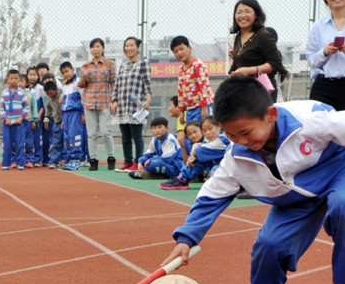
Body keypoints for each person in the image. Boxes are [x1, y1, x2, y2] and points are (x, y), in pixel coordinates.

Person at [162, 76, 345, 284]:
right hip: (294, 197)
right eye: (232, 135)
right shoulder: (236, 157)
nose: (241, 140)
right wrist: (186, 239)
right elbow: (211, 197)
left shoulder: (312, 119)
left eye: (246, 132)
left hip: (339, 172)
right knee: (269, 245)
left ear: (271, 115)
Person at [228, 0, 289, 104]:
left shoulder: (263, 35)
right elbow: (240, 65)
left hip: (262, 91)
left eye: (247, 11)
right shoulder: (239, 36)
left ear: (256, 15)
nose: (242, 15)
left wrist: (249, 71)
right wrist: (233, 71)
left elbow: (275, 64)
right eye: (239, 12)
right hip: (244, 90)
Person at [110, 37, 152, 173]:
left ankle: (137, 162)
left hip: (136, 105)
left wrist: (148, 100)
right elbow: (116, 85)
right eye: (126, 46)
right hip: (122, 105)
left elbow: (147, 82)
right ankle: (127, 162)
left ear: (137, 47)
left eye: (131, 45)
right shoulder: (123, 65)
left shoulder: (143, 63)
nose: (129, 48)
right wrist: (114, 100)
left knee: (137, 135)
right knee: (125, 136)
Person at [160, 117, 231, 190]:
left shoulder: (223, 140)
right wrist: (193, 152)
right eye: (204, 131)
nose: (208, 133)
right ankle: (182, 179)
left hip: (228, 169)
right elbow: (192, 157)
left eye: (210, 129)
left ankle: (218, 182)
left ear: (219, 127)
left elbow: (199, 150)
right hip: (212, 168)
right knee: (196, 161)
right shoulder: (206, 141)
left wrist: (195, 149)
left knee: (215, 169)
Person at [77, 38, 116, 171]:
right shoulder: (86, 65)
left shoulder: (110, 64)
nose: (96, 49)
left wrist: (113, 100)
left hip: (105, 102)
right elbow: (80, 85)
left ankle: (111, 157)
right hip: (89, 102)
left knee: (106, 132)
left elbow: (113, 83)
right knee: (91, 134)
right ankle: (93, 160)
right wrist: (84, 76)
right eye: (93, 47)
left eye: (98, 46)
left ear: (103, 48)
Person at [171, 36, 214, 125]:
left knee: (204, 134)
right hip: (190, 109)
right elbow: (181, 91)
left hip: (201, 107)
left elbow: (204, 87)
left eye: (181, 49)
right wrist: (182, 111)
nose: (179, 53)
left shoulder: (198, 65)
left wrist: (204, 108)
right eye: (175, 51)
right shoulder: (181, 69)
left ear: (189, 48)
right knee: (193, 136)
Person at [0, 68, 28, 171]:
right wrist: (5, 118)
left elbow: (26, 107)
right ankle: (6, 163)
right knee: (7, 144)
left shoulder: (21, 92)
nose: (14, 80)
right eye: (12, 78)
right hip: (7, 123)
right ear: (8, 79)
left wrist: (21, 117)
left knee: (20, 144)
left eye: (16, 78)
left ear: (19, 79)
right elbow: (1, 107)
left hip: (18, 122)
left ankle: (20, 162)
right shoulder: (4, 93)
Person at [60, 61, 85, 170]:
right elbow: (64, 103)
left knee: (75, 135)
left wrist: (84, 113)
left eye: (67, 71)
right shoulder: (65, 86)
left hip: (76, 112)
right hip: (66, 115)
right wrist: (62, 119)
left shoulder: (78, 83)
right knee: (67, 137)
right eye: (63, 73)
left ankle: (77, 159)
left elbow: (83, 98)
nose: (66, 74)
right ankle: (69, 158)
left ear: (73, 69)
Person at [41, 81, 62, 169]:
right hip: (57, 121)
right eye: (47, 94)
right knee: (55, 142)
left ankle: (68, 159)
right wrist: (46, 118)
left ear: (56, 90)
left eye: (51, 93)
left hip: (66, 120)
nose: (49, 95)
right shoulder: (49, 99)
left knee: (69, 141)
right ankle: (54, 161)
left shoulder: (62, 94)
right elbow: (48, 109)